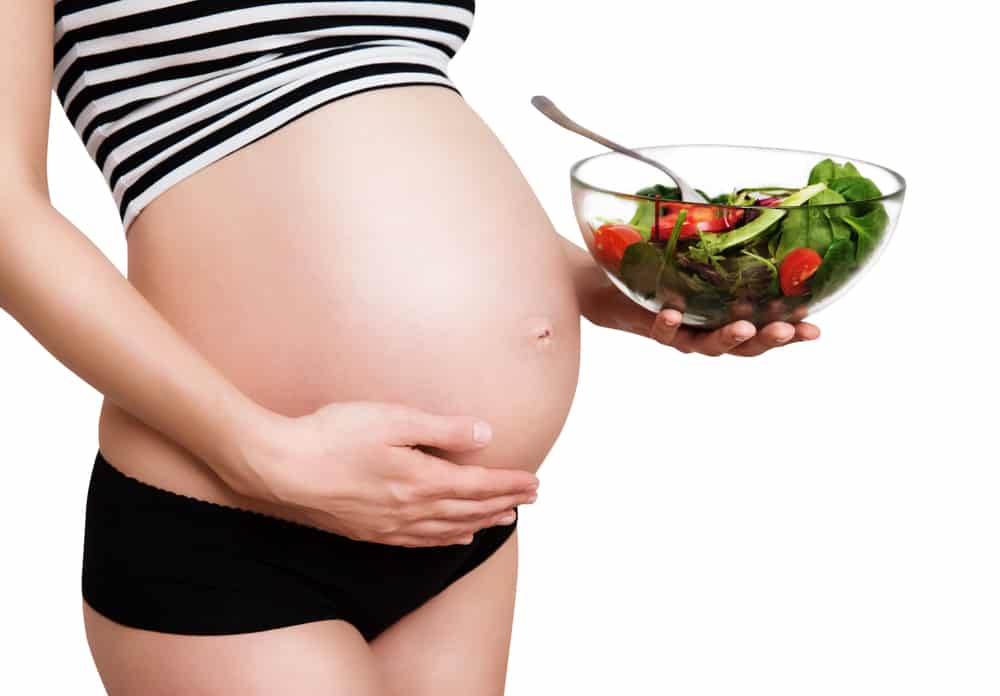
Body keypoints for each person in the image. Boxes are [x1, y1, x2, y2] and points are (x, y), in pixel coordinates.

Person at [2, 2, 819, 694]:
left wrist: (625, 285)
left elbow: (384, 122)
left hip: (455, 525)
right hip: (232, 501)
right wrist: (257, 451)